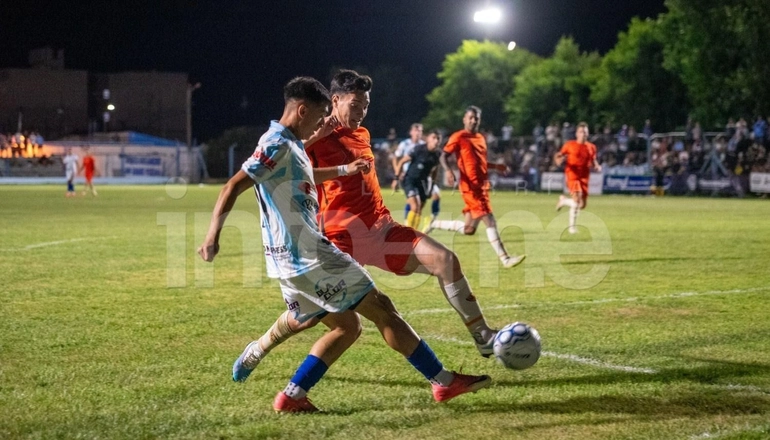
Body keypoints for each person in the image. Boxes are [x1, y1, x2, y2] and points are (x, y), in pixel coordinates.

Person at [197, 76, 490, 413]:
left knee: (347, 327)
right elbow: (231, 186)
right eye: (320, 115)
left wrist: (343, 169)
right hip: (310, 255)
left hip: (289, 261)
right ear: (303, 109)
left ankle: (291, 396)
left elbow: (304, 174)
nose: (323, 123)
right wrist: (211, 238)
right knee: (383, 309)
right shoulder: (277, 142)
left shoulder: (291, 145)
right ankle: (443, 381)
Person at [425, 106, 526, 269]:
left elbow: (480, 163)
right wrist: (449, 171)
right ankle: (505, 259)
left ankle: (435, 223)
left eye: (476, 118)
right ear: (464, 119)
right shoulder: (458, 137)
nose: (473, 120)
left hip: (482, 186)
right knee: (489, 219)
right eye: (470, 117)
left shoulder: (480, 138)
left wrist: (496, 166)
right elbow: (444, 155)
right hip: (469, 187)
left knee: (469, 229)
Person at [554, 122, 602, 233]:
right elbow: (559, 155)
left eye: (585, 132)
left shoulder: (591, 147)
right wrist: (557, 160)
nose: (583, 134)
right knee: (577, 198)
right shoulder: (569, 145)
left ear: (588, 133)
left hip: (584, 176)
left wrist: (597, 166)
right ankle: (572, 228)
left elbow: (593, 160)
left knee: (582, 205)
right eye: (581, 132)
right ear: (576, 134)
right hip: (572, 174)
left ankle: (564, 201)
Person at [395, 129, 443, 230]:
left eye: (438, 139)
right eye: (434, 138)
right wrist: (396, 178)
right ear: (428, 139)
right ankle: (407, 232)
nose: (436, 141)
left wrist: (431, 186)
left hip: (424, 182)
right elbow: (402, 161)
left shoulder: (438, 154)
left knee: (419, 208)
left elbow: (434, 171)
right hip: (410, 180)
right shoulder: (419, 149)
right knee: (414, 205)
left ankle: (414, 232)